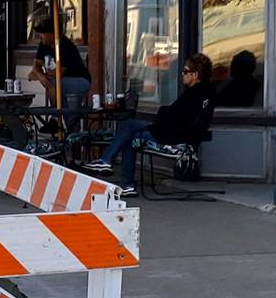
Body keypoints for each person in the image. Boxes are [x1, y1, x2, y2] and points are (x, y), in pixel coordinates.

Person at [85, 53, 216, 195]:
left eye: (185, 71)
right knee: (131, 126)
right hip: (177, 133)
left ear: (195, 74)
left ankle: (117, 173)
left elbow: (173, 116)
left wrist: (162, 111)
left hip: (174, 137)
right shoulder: (206, 92)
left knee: (131, 135)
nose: (182, 74)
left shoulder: (194, 94)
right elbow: (177, 116)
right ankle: (109, 165)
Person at [29, 20, 91, 109]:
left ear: (51, 34)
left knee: (53, 83)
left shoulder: (66, 46)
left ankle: (54, 116)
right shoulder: (44, 44)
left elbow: (57, 74)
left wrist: (39, 75)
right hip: (64, 81)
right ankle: (64, 119)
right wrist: (41, 76)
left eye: (42, 33)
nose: (40, 36)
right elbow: (36, 65)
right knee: (68, 112)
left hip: (80, 80)